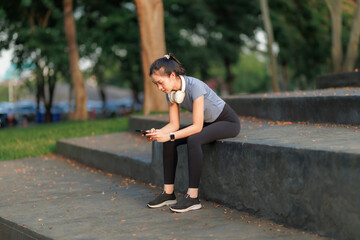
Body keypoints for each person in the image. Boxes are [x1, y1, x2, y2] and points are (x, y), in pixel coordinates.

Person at [144, 53, 240, 213]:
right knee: (168, 140)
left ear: (172, 75)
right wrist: (158, 133)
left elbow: (196, 127)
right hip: (208, 123)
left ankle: (193, 198)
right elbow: (174, 125)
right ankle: (168, 194)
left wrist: (169, 135)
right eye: (156, 84)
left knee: (194, 139)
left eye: (160, 82)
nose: (159, 88)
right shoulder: (171, 94)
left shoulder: (195, 86)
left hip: (227, 122)